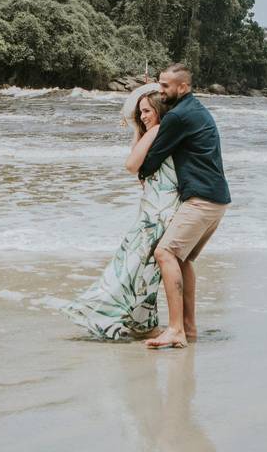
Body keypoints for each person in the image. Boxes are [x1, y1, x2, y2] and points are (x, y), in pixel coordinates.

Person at [61, 85, 182, 340]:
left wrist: (144, 131)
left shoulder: (159, 131)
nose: (144, 116)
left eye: (147, 111)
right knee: (143, 267)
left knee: (131, 264)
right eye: (141, 113)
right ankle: (144, 324)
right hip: (156, 207)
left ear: (159, 110)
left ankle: (98, 310)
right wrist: (139, 128)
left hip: (159, 211)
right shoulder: (159, 133)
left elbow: (130, 165)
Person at [132, 63, 231, 349]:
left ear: (183, 88)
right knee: (183, 258)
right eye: (159, 84)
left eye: (165, 86)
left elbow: (154, 156)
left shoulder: (178, 116)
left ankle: (175, 329)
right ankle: (188, 327)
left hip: (201, 200)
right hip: (217, 200)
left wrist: (143, 173)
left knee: (165, 252)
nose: (160, 90)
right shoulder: (197, 110)